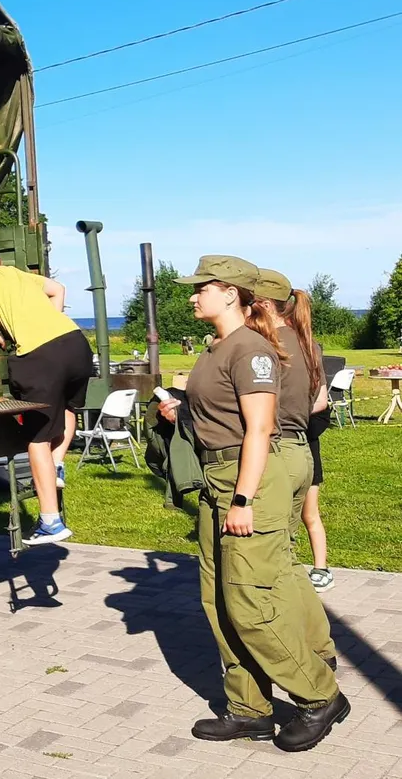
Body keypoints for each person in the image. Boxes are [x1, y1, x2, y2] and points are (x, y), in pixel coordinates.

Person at [161, 256, 346, 751]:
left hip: (247, 479)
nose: (193, 295)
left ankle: (318, 696)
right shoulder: (217, 347)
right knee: (218, 598)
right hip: (213, 476)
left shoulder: (251, 349)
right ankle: (249, 709)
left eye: (203, 288)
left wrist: (242, 498)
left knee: (252, 600)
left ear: (232, 293)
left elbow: (261, 428)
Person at [0, 244, 91, 544]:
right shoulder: (19, 274)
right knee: (68, 408)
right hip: (75, 342)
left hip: (40, 355)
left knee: (37, 437)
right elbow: (58, 289)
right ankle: (57, 464)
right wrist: (49, 324)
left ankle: (51, 522)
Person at [253, 270, 335, 601]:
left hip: (275, 448)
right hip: (302, 445)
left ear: (261, 304)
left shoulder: (264, 344)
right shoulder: (308, 343)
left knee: (271, 552)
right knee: (288, 536)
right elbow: (320, 401)